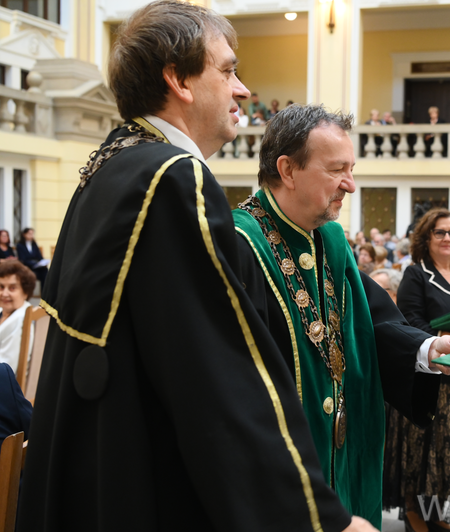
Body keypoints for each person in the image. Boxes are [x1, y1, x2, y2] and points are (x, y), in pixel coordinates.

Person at [18, 3, 378, 531]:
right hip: (147, 482)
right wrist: (319, 517)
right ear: (178, 80)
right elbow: (216, 377)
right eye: (228, 71)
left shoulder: (114, 161)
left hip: (95, 468)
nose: (243, 90)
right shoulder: (174, 174)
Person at [232, 104, 450, 529]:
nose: (350, 184)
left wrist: (428, 348)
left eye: (351, 169)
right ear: (288, 170)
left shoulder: (329, 239)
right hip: (281, 481)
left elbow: (371, 321)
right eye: (337, 170)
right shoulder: (240, 244)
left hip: (342, 458)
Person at [385, 208, 450, 531]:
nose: (448, 238)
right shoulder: (416, 274)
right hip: (428, 376)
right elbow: (408, 325)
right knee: (421, 446)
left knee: (448, 447)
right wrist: (448, 335)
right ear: (426, 237)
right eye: (440, 232)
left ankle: (433, 513)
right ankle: (413, 512)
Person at [0, 261, 36, 370]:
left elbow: (7, 367)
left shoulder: (20, 320)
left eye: (12, 288)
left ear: (25, 292)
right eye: (1, 287)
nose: (4, 294)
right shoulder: (5, 311)